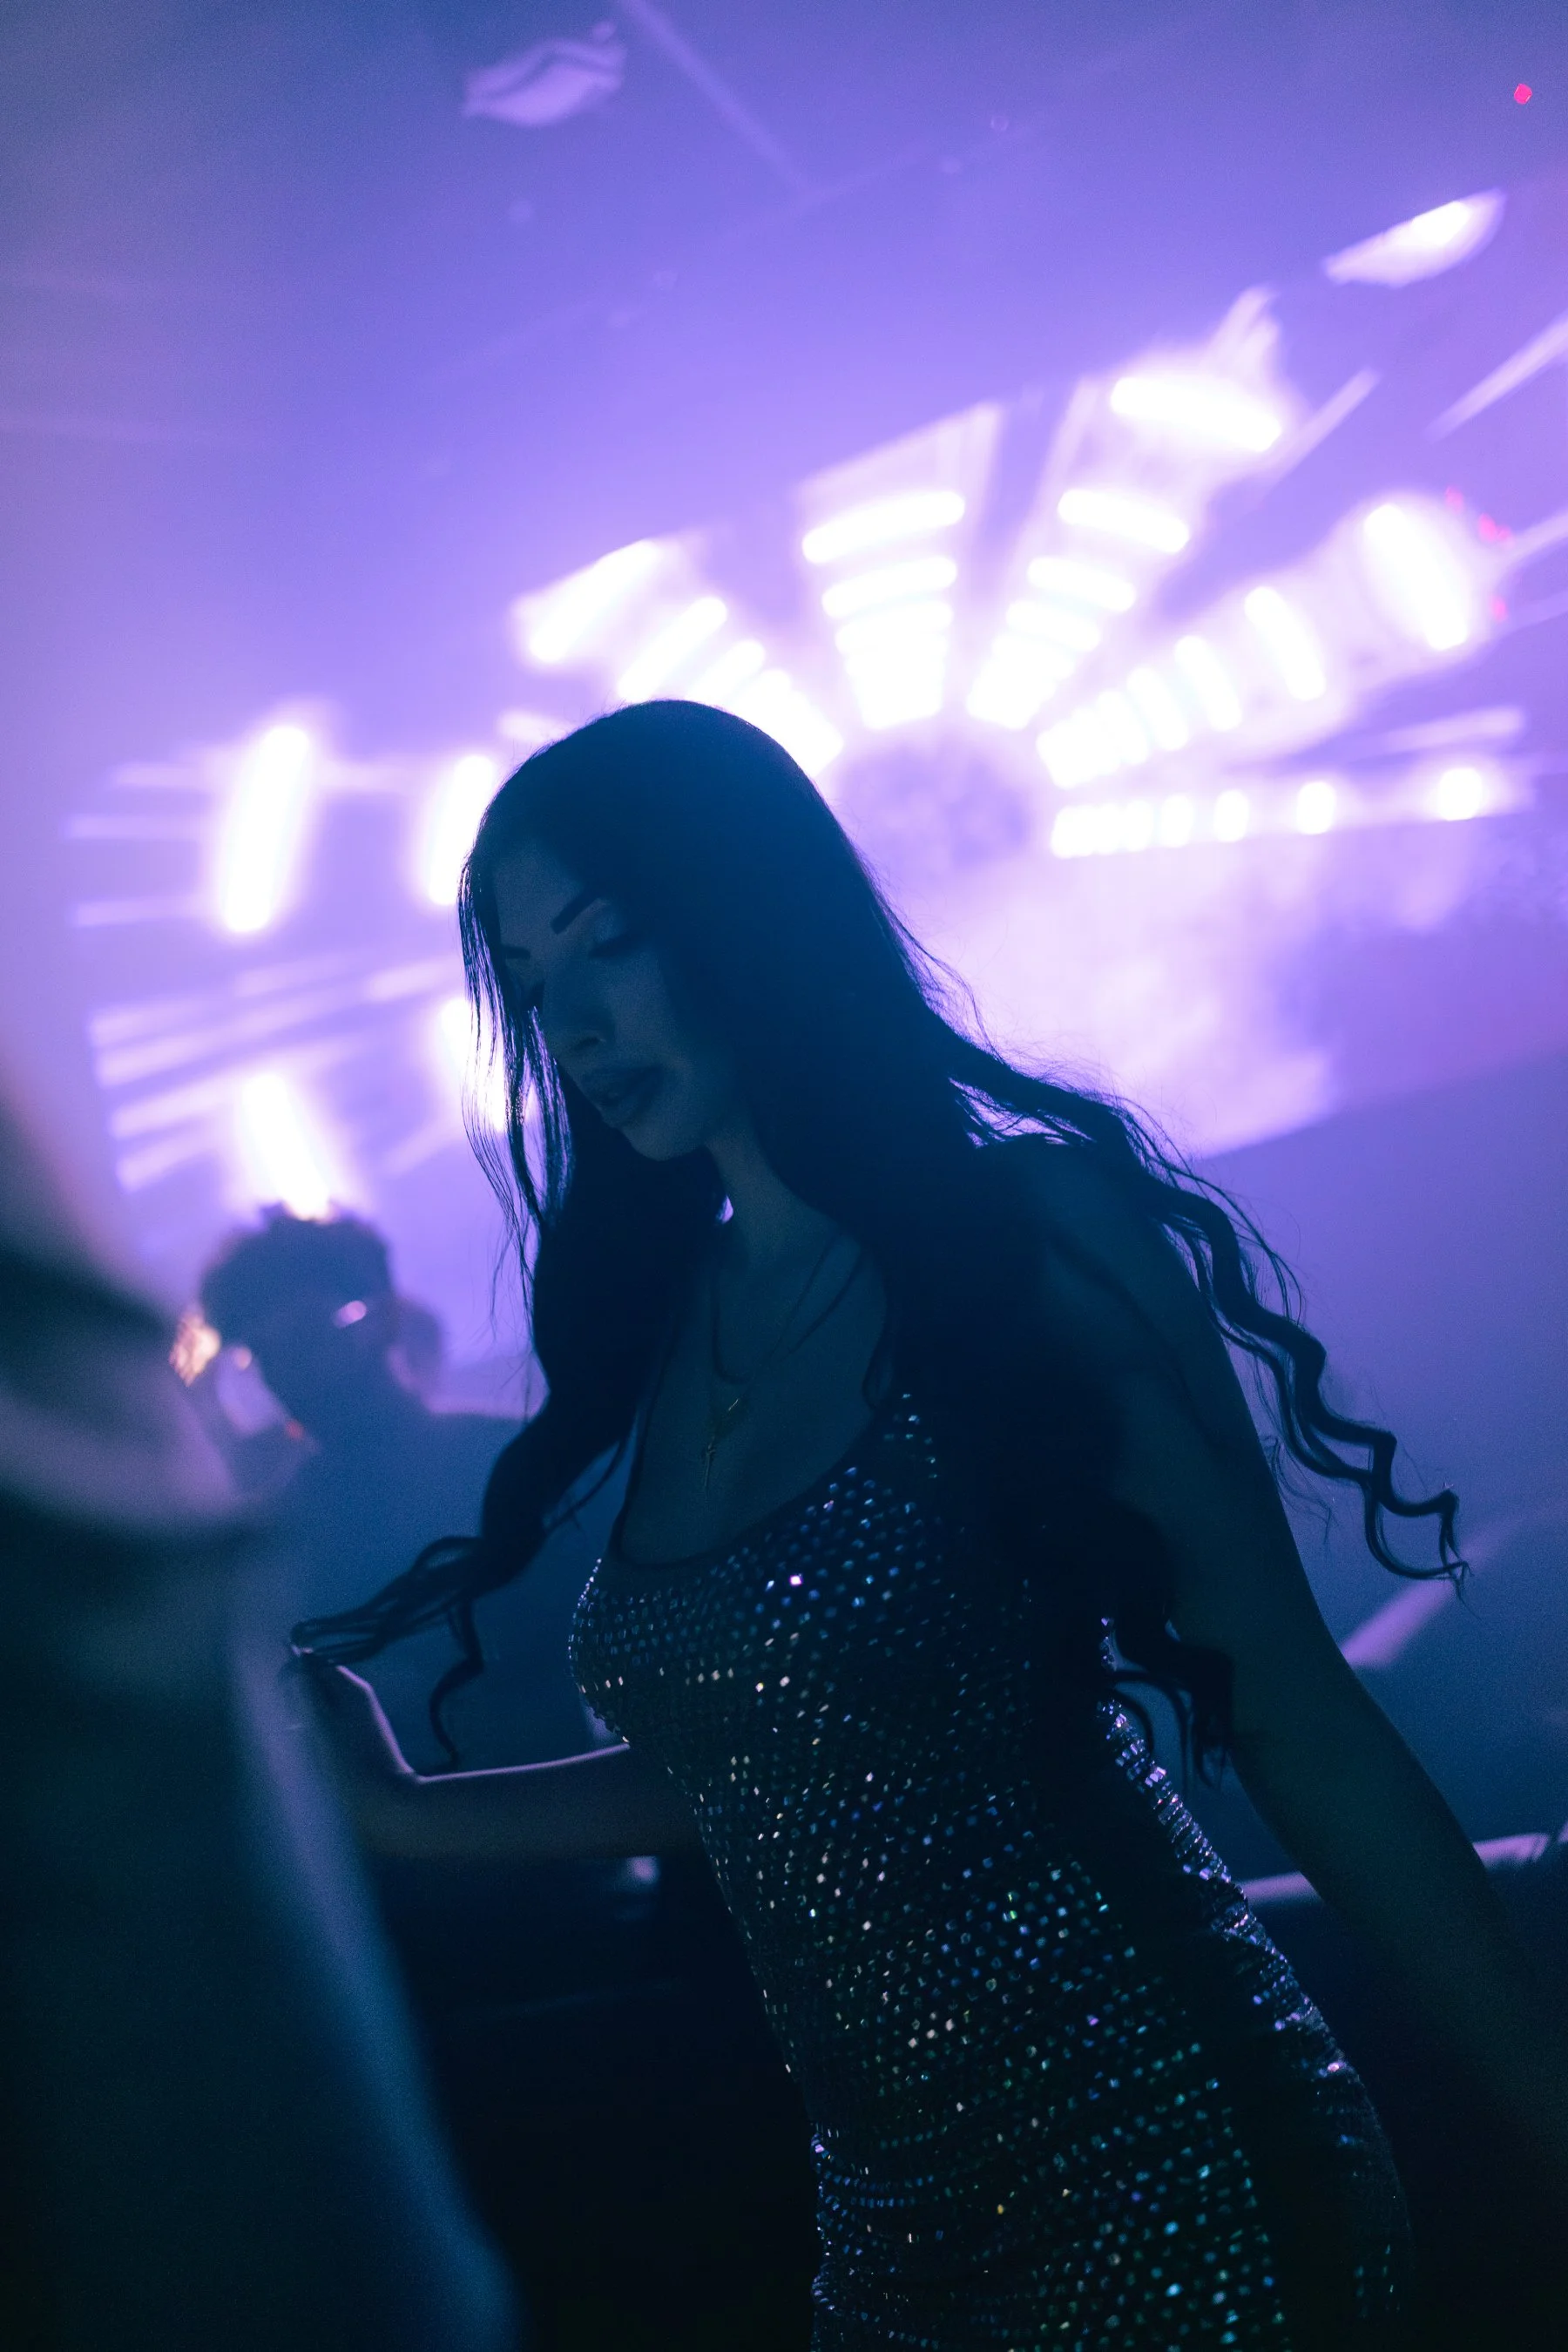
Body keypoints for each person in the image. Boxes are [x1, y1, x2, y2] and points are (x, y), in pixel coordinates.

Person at [300, 700, 1568, 2349]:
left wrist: (1550, 2123)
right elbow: (770, 1761)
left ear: (751, 914)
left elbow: (1296, 1715)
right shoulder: (685, 1322)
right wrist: (398, 1815)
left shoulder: (1031, 1234)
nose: (580, 1026)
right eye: (539, 989)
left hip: (1177, 2176)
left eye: (608, 944)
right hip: (893, 2250)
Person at [0, 1080, 516, 2352]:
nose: (310, 1360)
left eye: (328, 1323)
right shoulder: (261, 1531)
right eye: (274, 1344)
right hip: (408, 1916)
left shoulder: (516, 1465)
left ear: (387, 1311)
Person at [200, 1209, 595, 1769]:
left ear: (382, 1318)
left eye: (305, 1335)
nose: (288, 1370)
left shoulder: (515, 1462)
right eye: (263, 1353)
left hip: (567, 1821)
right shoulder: (277, 1539)